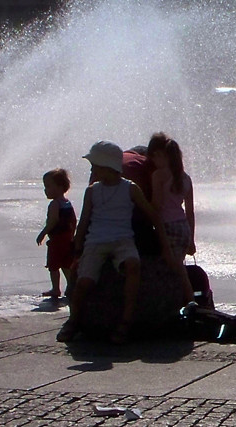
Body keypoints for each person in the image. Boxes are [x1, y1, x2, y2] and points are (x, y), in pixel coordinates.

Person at [56, 141, 177, 345]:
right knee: (84, 281)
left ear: (107, 166)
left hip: (123, 239)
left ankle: (126, 320)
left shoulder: (130, 189)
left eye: (95, 165)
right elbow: (85, 220)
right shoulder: (93, 191)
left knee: (133, 265)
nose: (92, 169)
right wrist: (77, 247)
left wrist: (164, 246)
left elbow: (152, 215)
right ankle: (73, 320)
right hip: (96, 241)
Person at [148, 132, 197, 304]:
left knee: (176, 268)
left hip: (167, 226)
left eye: (156, 156)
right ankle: (179, 301)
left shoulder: (159, 175)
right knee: (177, 266)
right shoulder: (185, 178)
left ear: (165, 156)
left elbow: (157, 204)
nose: (153, 160)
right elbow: (190, 211)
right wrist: (191, 239)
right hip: (182, 226)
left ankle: (191, 303)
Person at [35, 168, 76, 300]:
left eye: (47, 186)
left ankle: (56, 289)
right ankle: (71, 286)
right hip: (67, 239)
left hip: (57, 240)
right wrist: (73, 235)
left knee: (53, 265)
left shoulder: (55, 204)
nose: (45, 190)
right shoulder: (67, 203)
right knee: (66, 264)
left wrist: (43, 233)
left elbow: (53, 221)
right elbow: (73, 220)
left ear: (59, 187)